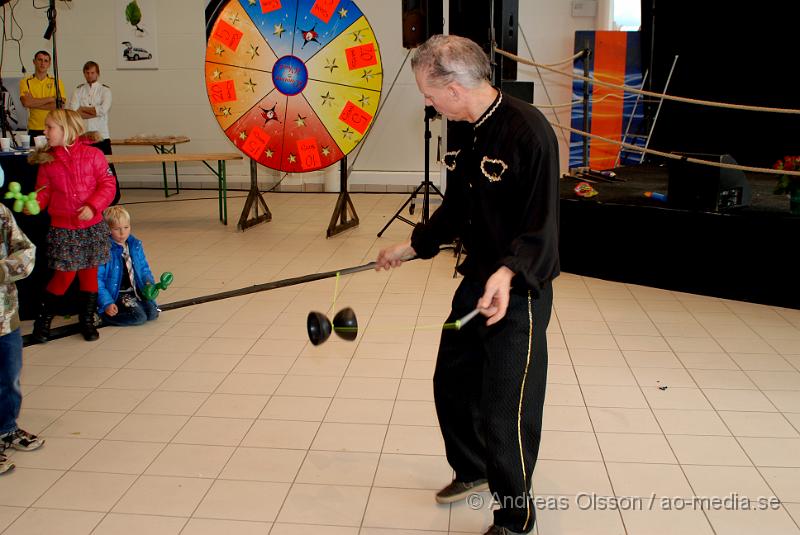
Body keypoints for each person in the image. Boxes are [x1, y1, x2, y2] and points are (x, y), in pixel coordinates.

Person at [375, 35, 560, 535]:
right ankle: (474, 469)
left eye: (429, 93)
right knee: (452, 383)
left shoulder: (530, 132)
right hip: (475, 282)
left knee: (507, 407)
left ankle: (515, 518)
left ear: (455, 86)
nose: (428, 103)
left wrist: (507, 272)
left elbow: (542, 227)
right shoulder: (465, 131)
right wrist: (411, 245)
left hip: (516, 290)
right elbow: (458, 208)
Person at [27, 109, 117, 343]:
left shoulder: (93, 155)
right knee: (64, 276)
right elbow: (43, 192)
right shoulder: (48, 162)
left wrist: (93, 206)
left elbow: (108, 185)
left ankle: (86, 321)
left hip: (92, 226)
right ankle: (43, 321)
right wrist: (34, 204)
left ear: (67, 129)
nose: (44, 131)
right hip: (64, 229)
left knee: (89, 273)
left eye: (49, 127)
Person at [1, 204, 45, 475]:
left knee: (9, 375)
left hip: (5, 315)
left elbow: (26, 250)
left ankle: (6, 427)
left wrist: (3, 270)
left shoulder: (1, 213)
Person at [67, 60, 120, 205]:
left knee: (107, 167)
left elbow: (103, 110)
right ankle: (89, 196)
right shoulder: (78, 90)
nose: (90, 75)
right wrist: (94, 111)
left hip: (101, 135)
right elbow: (73, 112)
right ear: (84, 73)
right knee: (84, 168)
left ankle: (113, 197)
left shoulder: (105, 90)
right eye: (87, 73)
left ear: (98, 73)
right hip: (83, 136)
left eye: (92, 72)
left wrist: (84, 110)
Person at [97, 206, 159, 326]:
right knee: (139, 317)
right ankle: (102, 316)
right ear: (107, 229)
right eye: (117, 229)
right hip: (117, 293)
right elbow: (98, 280)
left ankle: (136, 305)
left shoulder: (135, 245)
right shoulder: (104, 250)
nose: (122, 233)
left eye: (126, 227)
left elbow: (144, 268)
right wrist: (106, 303)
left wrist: (148, 282)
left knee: (152, 313)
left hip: (135, 290)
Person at [18, 51, 67, 137]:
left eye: (46, 61)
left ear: (49, 64)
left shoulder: (56, 81)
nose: (42, 63)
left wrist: (33, 103)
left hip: (53, 127)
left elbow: (60, 106)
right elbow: (26, 103)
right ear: (34, 62)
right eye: (40, 60)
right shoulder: (25, 81)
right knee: (34, 151)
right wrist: (51, 99)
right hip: (34, 128)